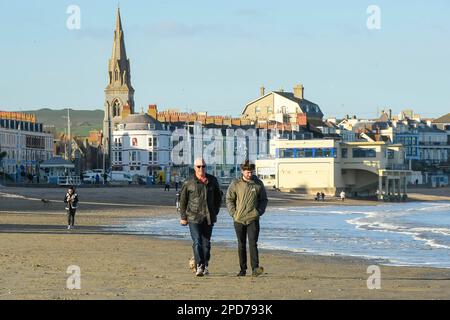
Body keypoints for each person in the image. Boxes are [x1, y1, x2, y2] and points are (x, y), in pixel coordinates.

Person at [179, 158, 222, 277]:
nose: (201, 169)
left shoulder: (212, 180)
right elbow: (182, 201)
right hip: (193, 217)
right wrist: (183, 217)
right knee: (197, 241)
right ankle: (199, 266)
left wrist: (215, 211)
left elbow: (218, 198)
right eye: (198, 166)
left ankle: (205, 264)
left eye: (203, 166)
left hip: (208, 217)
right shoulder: (189, 182)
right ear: (194, 168)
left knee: (206, 244)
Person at [226, 160, 268, 277]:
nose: (250, 174)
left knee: (253, 243)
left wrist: (258, 212)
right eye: (247, 172)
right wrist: (233, 213)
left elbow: (264, 200)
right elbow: (229, 199)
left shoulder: (258, 183)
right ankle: (242, 269)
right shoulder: (235, 183)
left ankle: (255, 268)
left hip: (253, 219)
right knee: (241, 244)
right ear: (242, 171)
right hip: (238, 219)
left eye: (251, 172)